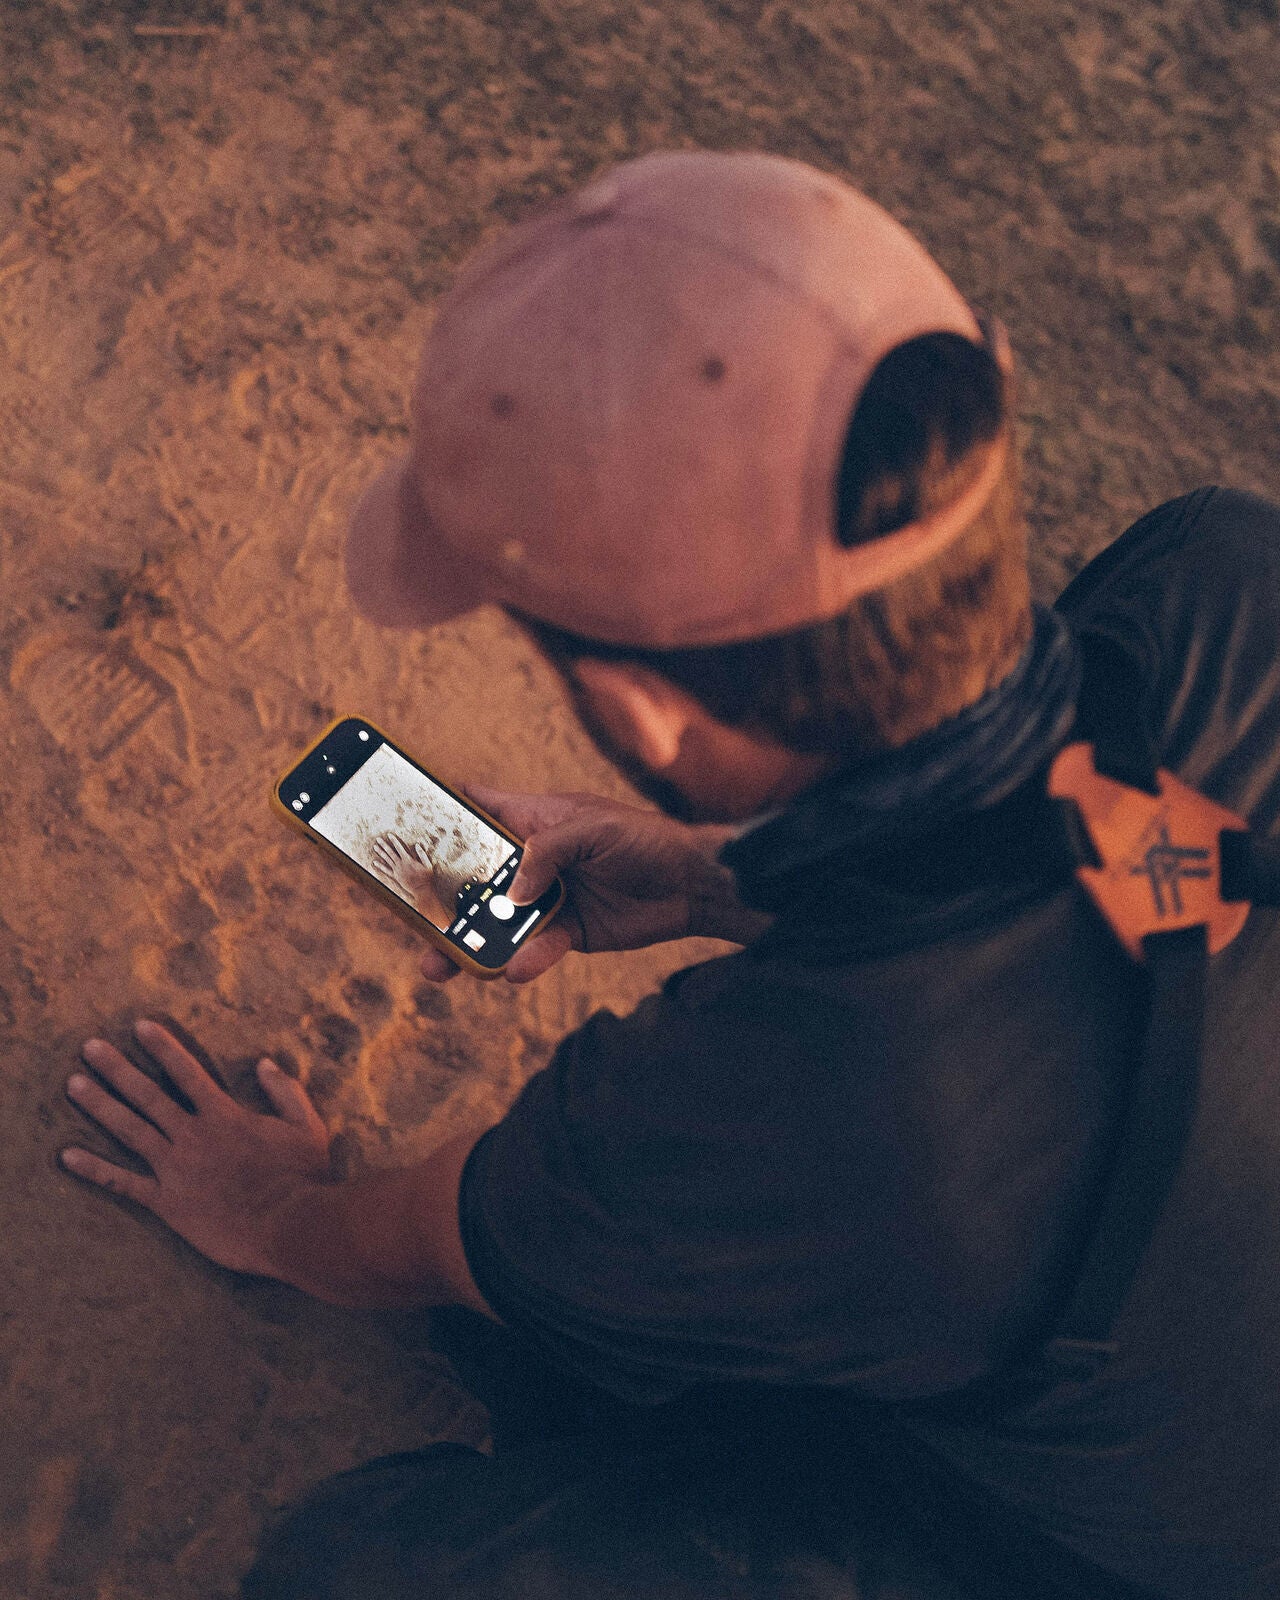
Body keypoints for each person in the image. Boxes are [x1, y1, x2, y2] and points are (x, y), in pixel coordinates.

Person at [59, 150, 1280, 1599]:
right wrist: (714, 881)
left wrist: (271, 1212)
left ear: (645, 714)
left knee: (361, 1565)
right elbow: (1122, 878)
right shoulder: (1224, 569)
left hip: (1134, 1552)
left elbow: (452, 1234)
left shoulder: (805, 1106)